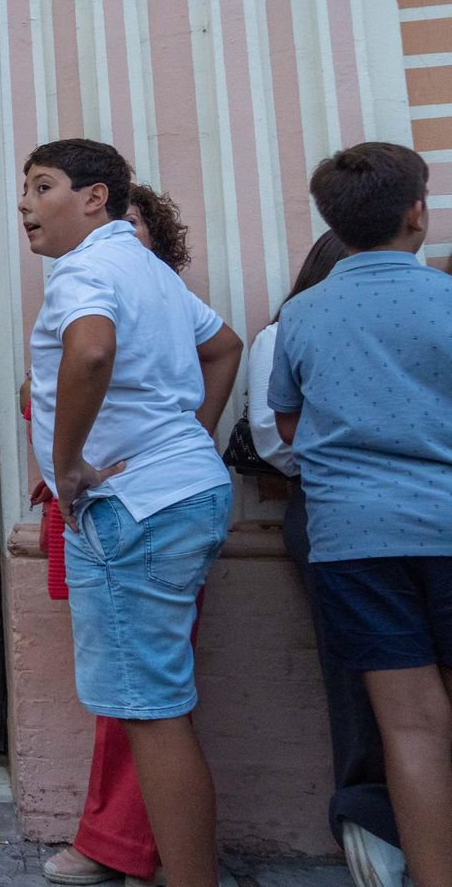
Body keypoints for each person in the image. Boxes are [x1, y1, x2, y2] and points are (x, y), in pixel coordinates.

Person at [21, 139, 242, 887]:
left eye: (42, 186)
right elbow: (225, 346)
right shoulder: (147, 268)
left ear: (94, 199)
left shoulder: (84, 268)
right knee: (158, 707)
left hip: (135, 508)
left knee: (152, 714)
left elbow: (90, 353)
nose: (24, 203)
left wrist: (67, 464)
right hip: (181, 492)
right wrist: (187, 439)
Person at [268, 142, 452, 887]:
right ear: (417, 213)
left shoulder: (301, 314)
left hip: (352, 537)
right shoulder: (447, 298)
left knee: (409, 726)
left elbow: (287, 423)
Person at [247, 230, 403, 887]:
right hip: (330, 503)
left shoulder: (411, 319)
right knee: (357, 675)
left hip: (408, 505)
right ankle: (372, 825)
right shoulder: (284, 333)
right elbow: (272, 436)